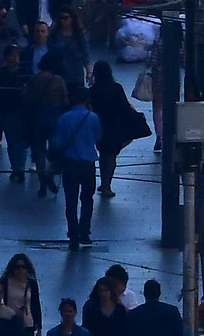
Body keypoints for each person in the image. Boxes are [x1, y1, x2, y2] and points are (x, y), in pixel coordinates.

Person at [87, 60, 149, 200]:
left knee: (104, 154)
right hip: (115, 126)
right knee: (110, 156)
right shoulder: (116, 88)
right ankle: (106, 184)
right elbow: (124, 107)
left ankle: (104, 183)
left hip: (99, 126)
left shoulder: (93, 91)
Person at [48, 88, 100, 249]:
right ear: (87, 100)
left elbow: (57, 142)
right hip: (88, 163)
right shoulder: (93, 118)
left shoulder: (64, 118)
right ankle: (85, 232)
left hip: (70, 163)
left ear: (71, 98)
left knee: (71, 201)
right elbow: (98, 137)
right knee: (87, 199)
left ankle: (73, 234)